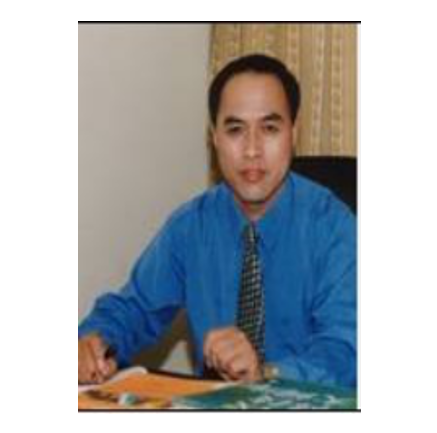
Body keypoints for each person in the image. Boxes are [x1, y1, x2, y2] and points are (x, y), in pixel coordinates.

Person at [78, 54, 356, 389]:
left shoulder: (334, 228)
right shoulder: (191, 226)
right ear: (214, 138)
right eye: (235, 129)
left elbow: (346, 353)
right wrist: (94, 342)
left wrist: (265, 374)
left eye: (269, 128)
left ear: (293, 134)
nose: (252, 150)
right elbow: (134, 308)